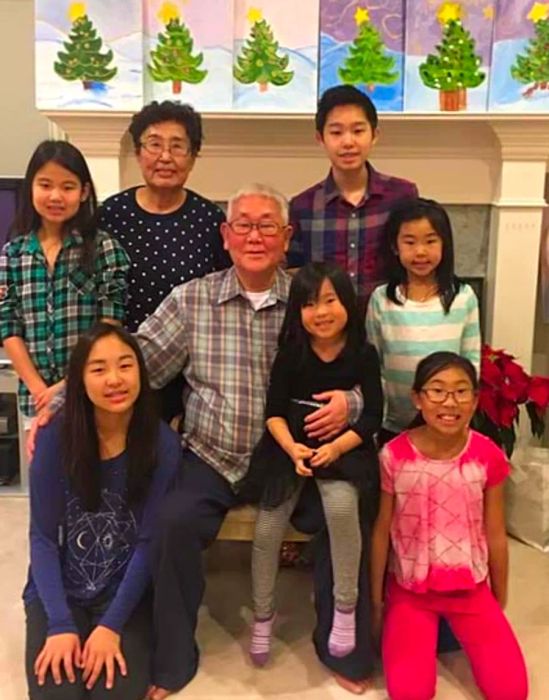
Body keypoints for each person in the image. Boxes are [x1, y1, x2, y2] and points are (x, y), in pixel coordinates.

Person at [127, 184, 374, 698]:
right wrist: (67, 395)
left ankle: (343, 648)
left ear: (287, 238)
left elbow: (357, 369)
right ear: (225, 235)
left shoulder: (312, 302)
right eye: (242, 224)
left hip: (290, 460)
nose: (254, 235)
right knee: (171, 522)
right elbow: (136, 364)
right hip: (211, 457)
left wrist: (349, 406)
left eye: (267, 225)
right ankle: (171, 660)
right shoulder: (190, 300)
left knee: (345, 515)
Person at [24, 323, 182, 699]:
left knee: (115, 691)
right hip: (60, 590)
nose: (114, 380)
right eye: (98, 369)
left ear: (141, 373)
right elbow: (42, 538)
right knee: (58, 694)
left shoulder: (163, 444)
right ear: (79, 379)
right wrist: (60, 624)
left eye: (125, 366)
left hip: (124, 591)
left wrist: (111, 625)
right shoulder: (54, 438)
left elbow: (147, 541)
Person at [237, 262, 382, 667]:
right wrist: (292, 449)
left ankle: (346, 608)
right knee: (268, 526)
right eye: (310, 303)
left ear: (348, 305)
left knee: (341, 509)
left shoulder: (363, 354)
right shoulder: (291, 354)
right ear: (297, 311)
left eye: (331, 300)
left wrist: (335, 448)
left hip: (343, 450)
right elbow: (274, 412)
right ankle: (263, 615)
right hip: (290, 450)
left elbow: (372, 416)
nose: (321, 312)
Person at [370, 352, 529, 700]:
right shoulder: (393, 456)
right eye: (437, 391)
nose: (449, 402)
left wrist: (498, 595)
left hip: (470, 591)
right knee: (409, 693)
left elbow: (496, 532)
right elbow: (383, 529)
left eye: (461, 392)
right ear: (417, 398)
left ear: (474, 399)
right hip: (410, 593)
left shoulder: (487, 455)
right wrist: (377, 602)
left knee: (512, 692)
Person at [98, 101, 230, 420]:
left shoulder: (210, 220)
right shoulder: (111, 216)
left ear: (193, 156)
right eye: (154, 144)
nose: (165, 157)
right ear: (138, 151)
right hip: (119, 371)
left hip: (190, 373)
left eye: (178, 146)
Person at [0, 140, 130, 430]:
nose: (56, 196)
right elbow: (8, 325)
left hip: (88, 394)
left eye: (68, 187)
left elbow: (110, 325)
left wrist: (66, 386)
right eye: (45, 185)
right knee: (43, 471)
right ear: (30, 187)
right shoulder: (13, 254)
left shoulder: (103, 248)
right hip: (36, 399)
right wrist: (38, 388)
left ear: (83, 192)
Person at [287, 85, 418, 311]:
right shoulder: (303, 207)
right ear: (320, 138)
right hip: (328, 331)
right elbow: (295, 275)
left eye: (358, 131)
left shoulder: (402, 196)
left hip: (390, 325)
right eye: (336, 133)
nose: (348, 142)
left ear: (374, 134)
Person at [366, 197, 481, 447]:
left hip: (447, 421)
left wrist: (462, 412)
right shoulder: (382, 300)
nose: (420, 252)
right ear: (395, 247)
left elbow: (471, 362)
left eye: (430, 241)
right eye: (409, 242)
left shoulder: (463, 298)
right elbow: (374, 364)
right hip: (394, 424)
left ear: (444, 244)